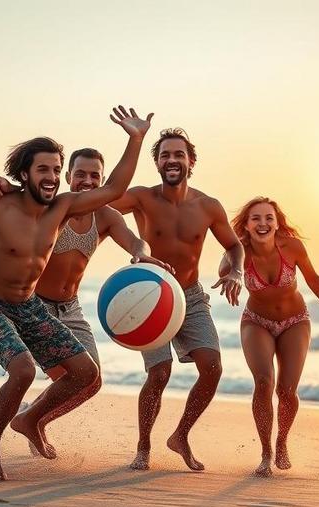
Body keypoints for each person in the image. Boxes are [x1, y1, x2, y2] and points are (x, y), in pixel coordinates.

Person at [0, 106, 153, 481]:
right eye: (44, 169)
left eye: (57, 170)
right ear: (24, 173)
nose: (53, 177)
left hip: (30, 306)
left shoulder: (62, 207)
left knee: (84, 372)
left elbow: (115, 189)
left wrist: (135, 139)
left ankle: (31, 420)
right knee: (22, 371)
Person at [0, 147, 173, 457]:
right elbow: (25, 195)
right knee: (62, 376)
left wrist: (139, 251)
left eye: (94, 175)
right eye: (80, 174)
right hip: (35, 305)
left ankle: (32, 420)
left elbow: (134, 239)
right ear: (68, 177)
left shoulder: (107, 216)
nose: (87, 180)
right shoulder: (55, 208)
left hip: (70, 308)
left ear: (102, 179)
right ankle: (16, 428)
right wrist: (4, 185)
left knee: (91, 380)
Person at [109, 128, 245, 472]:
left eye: (178, 154)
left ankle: (180, 435)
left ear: (191, 162)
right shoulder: (141, 197)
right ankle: (143, 446)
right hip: (148, 295)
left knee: (212, 368)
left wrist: (235, 271)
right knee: (159, 373)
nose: (172, 160)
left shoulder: (209, 206)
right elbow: (98, 206)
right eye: (165, 155)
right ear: (156, 162)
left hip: (191, 296)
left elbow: (234, 245)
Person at [229, 196, 319, 476]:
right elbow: (229, 270)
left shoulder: (293, 247)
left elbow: (312, 278)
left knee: (286, 391)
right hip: (256, 322)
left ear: (277, 222)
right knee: (263, 382)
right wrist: (233, 275)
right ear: (247, 226)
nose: (263, 223)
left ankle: (282, 440)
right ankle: (265, 453)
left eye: (268, 218)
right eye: (256, 219)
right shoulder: (239, 250)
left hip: (295, 321)